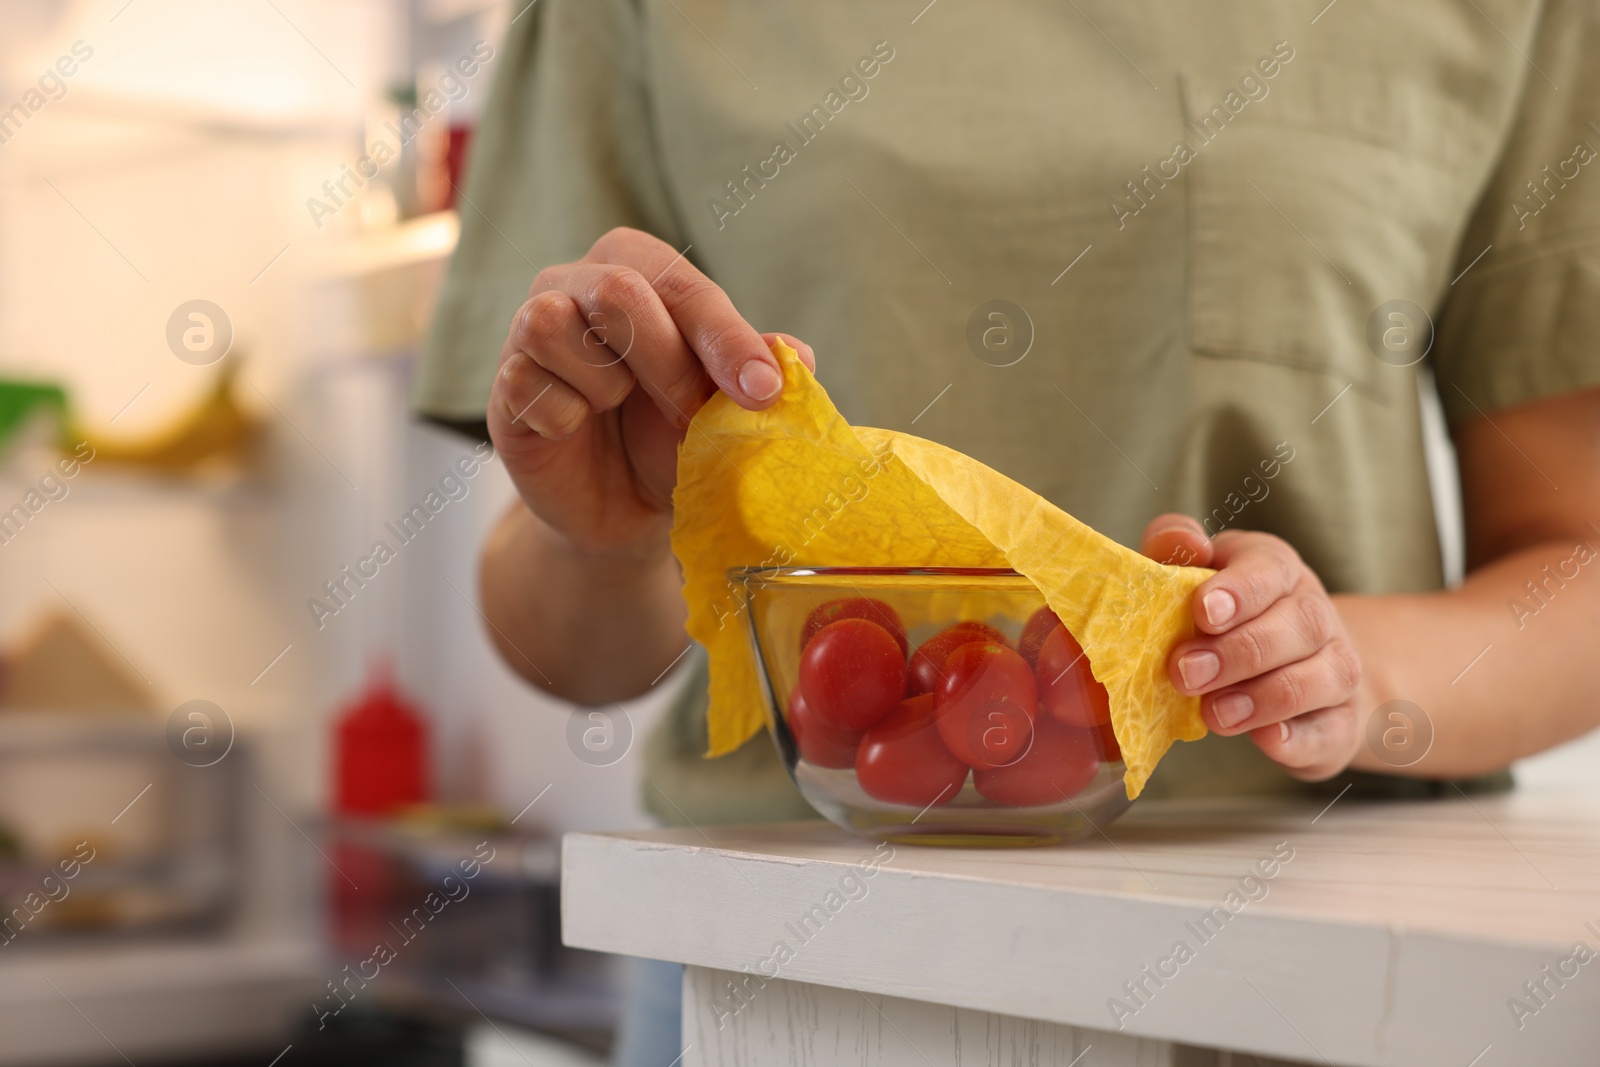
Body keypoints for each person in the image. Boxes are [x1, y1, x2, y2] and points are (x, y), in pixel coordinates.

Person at [415, 2, 1600, 1063]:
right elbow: (568, 651)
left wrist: (1335, 661)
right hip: (786, 976)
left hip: (1327, 972)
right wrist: (613, 537)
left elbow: (1576, 567)